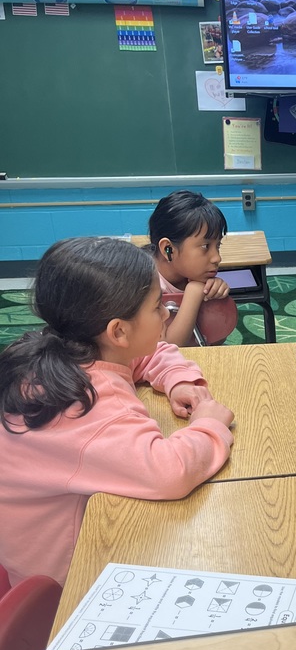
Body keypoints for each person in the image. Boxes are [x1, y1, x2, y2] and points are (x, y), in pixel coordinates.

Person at [0, 237, 235, 587]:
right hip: (62, 586)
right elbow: (169, 472)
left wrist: (178, 381)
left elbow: (149, 353)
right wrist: (208, 425)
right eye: (157, 308)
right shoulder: (88, 405)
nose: (166, 314)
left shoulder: (62, 350)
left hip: (28, 551)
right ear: (118, 331)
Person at [148, 190, 233, 346]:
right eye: (205, 246)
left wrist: (216, 298)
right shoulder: (143, 287)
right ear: (168, 249)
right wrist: (194, 293)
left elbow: (216, 340)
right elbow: (169, 349)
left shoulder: (193, 273)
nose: (217, 258)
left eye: (218, 245)